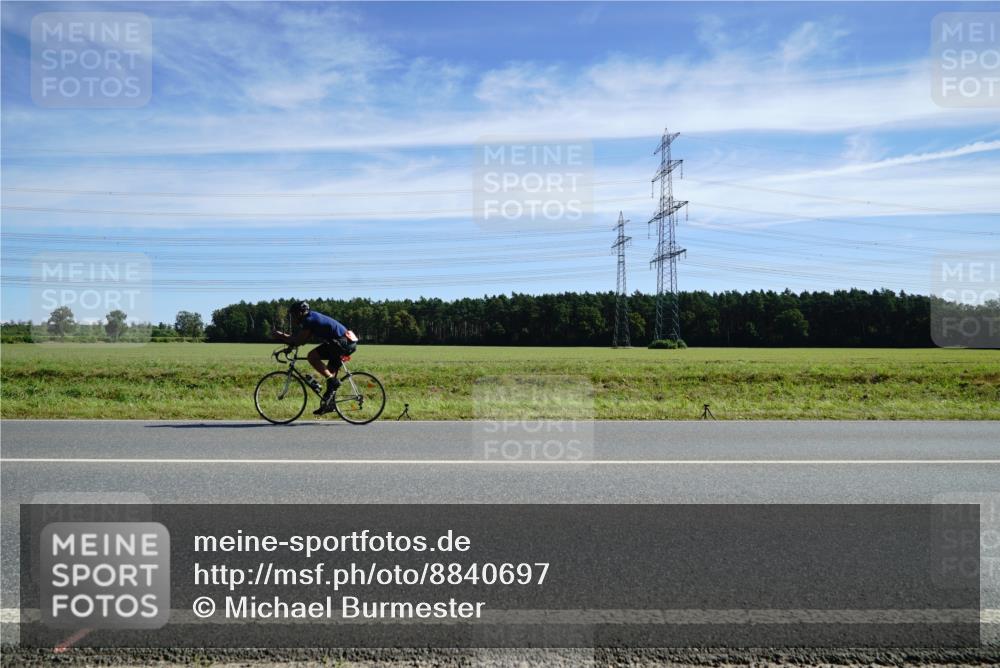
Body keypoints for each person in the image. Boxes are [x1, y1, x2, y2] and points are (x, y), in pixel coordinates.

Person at [272, 301, 358, 414]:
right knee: (329, 374)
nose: (293, 318)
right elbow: (302, 340)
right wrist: (288, 348)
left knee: (312, 357)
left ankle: (333, 381)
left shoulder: (309, 320)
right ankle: (328, 405)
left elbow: (299, 341)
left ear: (301, 313)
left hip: (342, 342)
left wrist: (281, 336)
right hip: (346, 342)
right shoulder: (311, 318)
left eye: (294, 315)